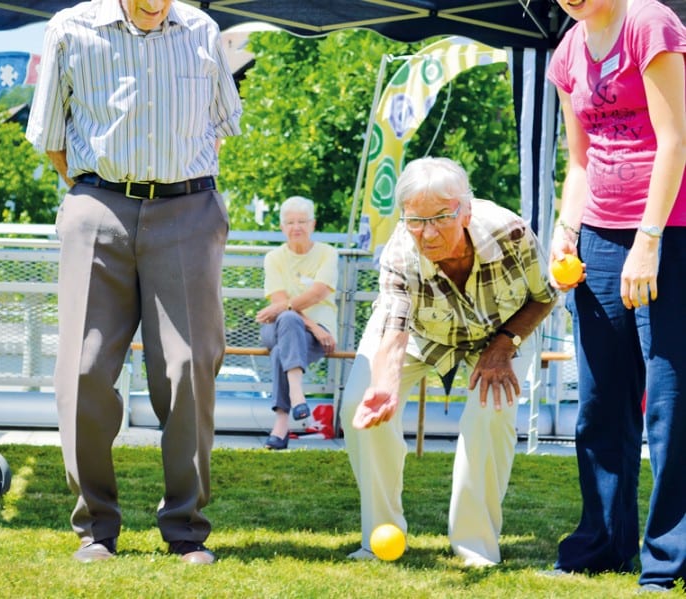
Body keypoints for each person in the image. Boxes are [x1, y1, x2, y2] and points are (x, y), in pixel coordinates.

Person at [25, 0, 242, 565]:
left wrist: (175, 185)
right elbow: (50, 134)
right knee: (82, 368)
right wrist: (102, 191)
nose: (156, 4)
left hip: (188, 211)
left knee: (189, 365)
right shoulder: (70, 29)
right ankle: (96, 527)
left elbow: (221, 126)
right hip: (99, 204)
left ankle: (186, 528)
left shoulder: (202, 29)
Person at [340, 157, 557, 567]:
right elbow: (394, 328)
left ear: (466, 210)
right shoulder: (399, 254)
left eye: (440, 217)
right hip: (421, 332)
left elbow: (544, 297)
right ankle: (379, 537)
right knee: (358, 404)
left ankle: (475, 545)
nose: (428, 232)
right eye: (415, 220)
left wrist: (504, 345)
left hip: (501, 331)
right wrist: (383, 386)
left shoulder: (510, 233)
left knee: (490, 415)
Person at [545, 0, 686, 590]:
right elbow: (579, 162)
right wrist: (564, 230)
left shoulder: (649, 22)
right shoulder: (566, 52)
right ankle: (602, 544)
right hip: (599, 237)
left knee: (670, 405)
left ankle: (669, 557)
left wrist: (648, 241)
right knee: (601, 401)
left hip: (669, 233)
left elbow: (676, 137)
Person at [254, 196, 339, 450]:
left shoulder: (328, 254)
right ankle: (297, 394)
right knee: (288, 319)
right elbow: (280, 305)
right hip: (280, 327)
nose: (296, 227)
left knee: (282, 349)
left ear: (313, 224)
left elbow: (318, 294)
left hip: (315, 335)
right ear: (282, 227)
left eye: (302, 221)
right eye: (290, 222)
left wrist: (310, 326)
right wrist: (310, 325)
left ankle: (280, 426)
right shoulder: (274, 258)